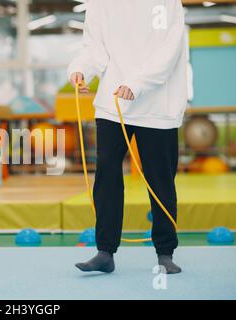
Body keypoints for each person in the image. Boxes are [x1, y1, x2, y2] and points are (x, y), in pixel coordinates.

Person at [68, 0, 187, 274]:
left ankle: (165, 253)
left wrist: (138, 83)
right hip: (113, 104)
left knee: (160, 180)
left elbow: (170, 49)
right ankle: (105, 251)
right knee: (107, 175)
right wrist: (81, 69)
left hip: (158, 105)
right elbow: (94, 48)